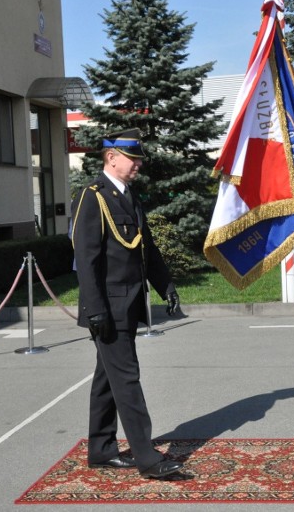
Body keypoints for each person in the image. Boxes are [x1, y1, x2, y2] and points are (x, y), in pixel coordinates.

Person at [70, 129, 182, 480]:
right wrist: (95, 309)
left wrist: (165, 286)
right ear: (111, 158)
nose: (138, 165)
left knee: (108, 378)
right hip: (108, 308)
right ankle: (148, 459)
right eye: (133, 159)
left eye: (138, 160)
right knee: (127, 378)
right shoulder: (92, 197)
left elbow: (145, 245)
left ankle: (101, 450)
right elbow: (86, 260)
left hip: (130, 304)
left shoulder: (128, 195)